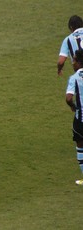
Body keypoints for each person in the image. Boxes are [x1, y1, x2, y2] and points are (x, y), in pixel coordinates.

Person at [65, 49, 83, 185]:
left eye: (74, 60)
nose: (72, 62)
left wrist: (72, 105)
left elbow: (68, 97)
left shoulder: (75, 77)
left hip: (80, 119)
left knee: (80, 146)